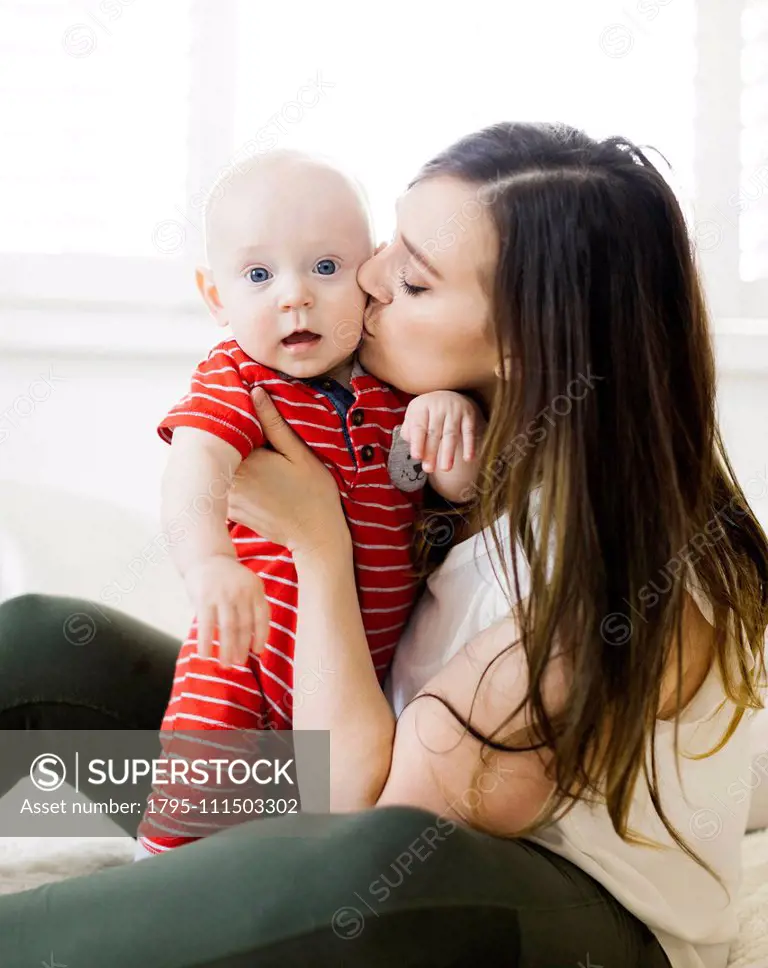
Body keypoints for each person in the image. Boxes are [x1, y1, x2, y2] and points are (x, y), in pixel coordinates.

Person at [0, 121, 766, 968]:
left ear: (526, 344)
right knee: (44, 646)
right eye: (386, 245)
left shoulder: (612, 596)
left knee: (366, 869)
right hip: (346, 764)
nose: (363, 277)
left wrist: (318, 546)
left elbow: (353, 815)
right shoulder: (455, 441)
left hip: (538, 908)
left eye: (409, 278)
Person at [136, 149, 481, 857]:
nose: (295, 296)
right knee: (203, 811)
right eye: (259, 276)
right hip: (246, 665)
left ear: (371, 273)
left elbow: (461, 494)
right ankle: (158, 881)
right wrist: (208, 565)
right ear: (215, 296)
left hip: (359, 680)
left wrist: (449, 415)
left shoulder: (399, 387)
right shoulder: (238, 376)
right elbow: (194, 467)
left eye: (326, 268)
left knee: (299, 837)